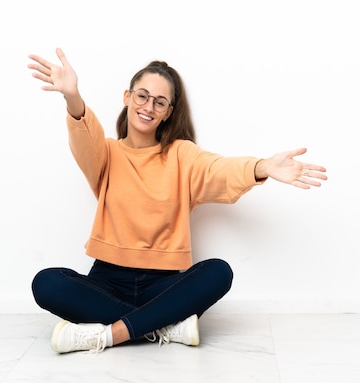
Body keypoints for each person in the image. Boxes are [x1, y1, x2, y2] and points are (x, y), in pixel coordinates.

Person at [28, 48, 328, 354]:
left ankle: (107, 335)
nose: (149, 107)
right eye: (142, 96)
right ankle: (162, 325)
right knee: (47, 283)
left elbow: (218, 171)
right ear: (127, 97)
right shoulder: (105, 155)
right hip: (108, 281)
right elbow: (84, 134)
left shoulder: (182, 155)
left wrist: (261, 166)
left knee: (218, 272)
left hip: (164, 285)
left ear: (169, 111)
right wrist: (72, 96)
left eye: (160, 102)